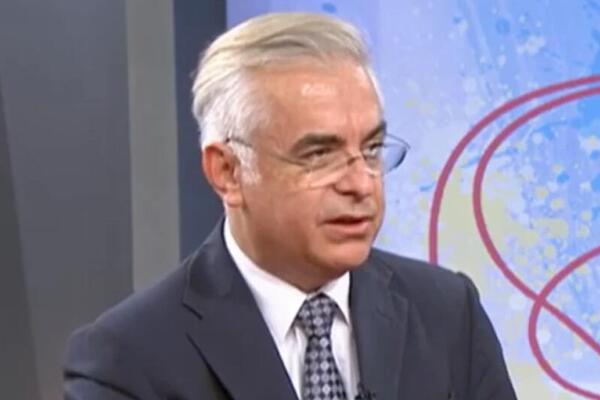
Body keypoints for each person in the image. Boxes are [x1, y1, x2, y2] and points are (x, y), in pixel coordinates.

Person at [64, 12, 517, 400]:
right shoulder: (128, 359)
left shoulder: (447, 314)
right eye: (319, 155)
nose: (361, 183)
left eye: (372, 149)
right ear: (227, 171)